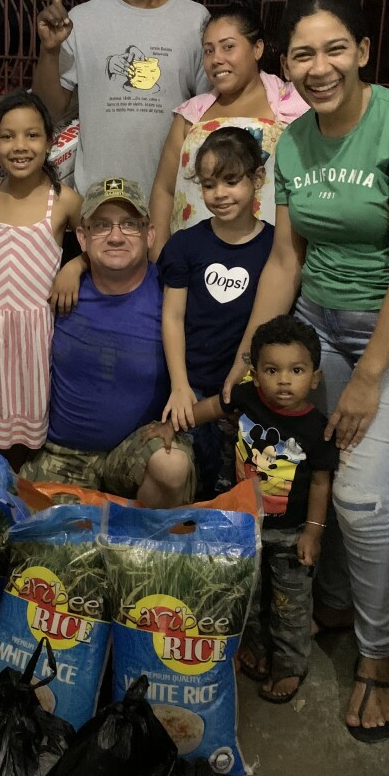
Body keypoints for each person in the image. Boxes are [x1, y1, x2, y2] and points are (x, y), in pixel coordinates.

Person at [223, 0, 389, 742]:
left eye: (335, 49)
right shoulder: (293, 142)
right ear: (285, 64)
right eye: (303, 53)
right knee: (300, 461)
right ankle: (328, 597)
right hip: (322, 323)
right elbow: (287, 257)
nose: (319, 67)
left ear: (363, 51)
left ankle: (375, 657)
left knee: (361, 496)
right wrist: (246, 358)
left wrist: (364, 381)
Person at [147, 315, 340, 701]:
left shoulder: (317, 430)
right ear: (255, 373)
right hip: (241, 523)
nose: (284, 380)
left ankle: (289, 666)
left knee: (290, 606)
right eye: (272, 370)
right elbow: (211, 409)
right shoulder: (249, 395)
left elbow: (321, 483)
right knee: (245, 594)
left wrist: (313, 532)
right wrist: (174, 427)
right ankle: (253, 646)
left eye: (296, 370)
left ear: (314, 378)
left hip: (291, 535)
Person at [18, 178, 195, 507]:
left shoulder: (171, 292)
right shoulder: (58, 288)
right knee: (40, 545)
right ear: (83, 237)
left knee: (172, 465)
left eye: (130, 224)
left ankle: (139, 538)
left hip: (139, 450)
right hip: (64, 453)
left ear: (150, 234)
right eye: (102, 226)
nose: (116, 236)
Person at [32, 0, 209, 198]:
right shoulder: (82, 20)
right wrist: (49, 51)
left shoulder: (194, 20)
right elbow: (49, 108)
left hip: (172, 200)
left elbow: (209, 114)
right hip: (98, 204)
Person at [0, 90, 82, 470]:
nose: (19, 146)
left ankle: (16, 519)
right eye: (7, 136)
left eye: (32, 135)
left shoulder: (66, 200)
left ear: (50, 142)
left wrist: (75, 266)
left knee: (24, 447)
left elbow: (102, 246)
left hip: (33, 336)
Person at [157, 126, 273, 497]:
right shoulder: (186, 245)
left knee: (243, 495)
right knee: (192, 488)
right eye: (209, 185)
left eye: (231, 180)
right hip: (190, 391)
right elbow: (173, 317)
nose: (219, 194)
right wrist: (179, 386)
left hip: (249, 399)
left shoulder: (276, 248)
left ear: (257, 178)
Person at [149, 0, 308, 258]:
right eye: (209, 51)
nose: (216, 59)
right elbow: (164, 190)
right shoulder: (190, 115)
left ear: (257, 49)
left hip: (270, 261)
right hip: (194, 262)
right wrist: (159, 257)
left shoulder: (294, 107)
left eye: (228, 47)